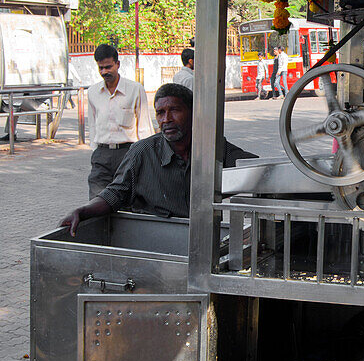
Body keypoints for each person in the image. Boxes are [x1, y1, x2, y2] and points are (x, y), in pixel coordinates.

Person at [60, 83, 255, 232]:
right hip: (157, 239)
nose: (166, 119)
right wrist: (82, 210)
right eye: (160, 113)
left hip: (202, 239)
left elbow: (253, 169)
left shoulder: (212, 148)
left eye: (175, 110)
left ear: (194, 113)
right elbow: (114, 194)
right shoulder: (142, 152)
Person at [86, 43, 154, 198]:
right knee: (96, 201)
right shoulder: (93, 92)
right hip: (101, 155)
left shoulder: (135, 89)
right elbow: (93, 124)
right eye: (101, 68)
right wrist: (95, 149)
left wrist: (145, 159)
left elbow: (144, 127)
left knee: (129, 200)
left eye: (108, 67)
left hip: (128, 153)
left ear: (118, 64)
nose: (104, 72)